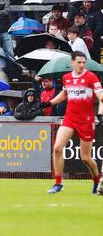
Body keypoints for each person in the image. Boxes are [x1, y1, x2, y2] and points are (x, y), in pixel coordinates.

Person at [42, 52, 103, 195]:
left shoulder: (91, 77)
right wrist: (49, 102)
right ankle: (58, 183)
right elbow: (64, 94)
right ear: (72, 63)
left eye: (84, 62)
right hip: (70, 118)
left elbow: (100, 95)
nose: (82, 65)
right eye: (79, 62)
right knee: (57, 148)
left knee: (86, 158)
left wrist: (100, 113)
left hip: (86, 120)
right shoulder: (66, 78)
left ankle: (95, 180)